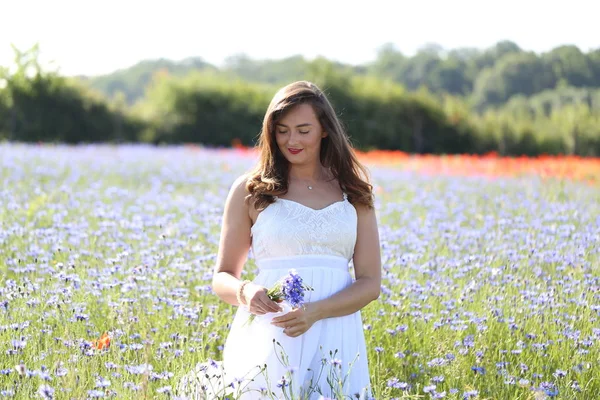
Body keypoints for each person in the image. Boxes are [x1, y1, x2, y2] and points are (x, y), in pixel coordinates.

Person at [179, 81, 382, 399]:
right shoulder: (250, 190)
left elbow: (370, 284)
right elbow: (222, 278)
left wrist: (316, 311)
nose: (292, 140)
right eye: (282, 130)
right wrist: (245, 291)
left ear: (324, 130)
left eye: (303, 130)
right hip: (272, 329)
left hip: (336, 332)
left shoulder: (354, 191)